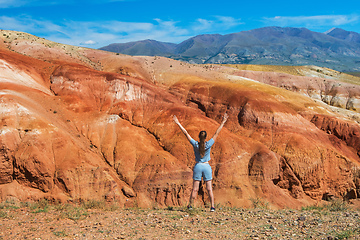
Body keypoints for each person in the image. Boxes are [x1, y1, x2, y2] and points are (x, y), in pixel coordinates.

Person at [173, 113, 228, 212]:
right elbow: (216, 133)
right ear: (206, 138)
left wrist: (178, 123)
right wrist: (223, 122)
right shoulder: (208, 144)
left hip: (198, 166)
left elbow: (186, 133)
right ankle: (212, 207)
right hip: (206, 166)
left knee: (195, 188)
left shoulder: (195, 145)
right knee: (209, 188)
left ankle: (190, 206)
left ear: (198, 137)